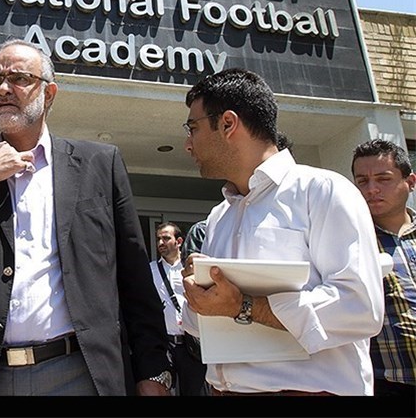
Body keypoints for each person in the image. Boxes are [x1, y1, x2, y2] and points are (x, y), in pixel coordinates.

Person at [0, 38, 171, 396]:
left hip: (80, 372)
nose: (3, 89)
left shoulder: (99, 164)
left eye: (19, 78)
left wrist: (153, 369)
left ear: (48, 93)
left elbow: (134, 277)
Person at [180, 67, 384, 396]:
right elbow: (204, 328)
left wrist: (247, 306)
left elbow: (360, 308)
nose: (188, 145)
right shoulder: (219, 216)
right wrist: (199, 297)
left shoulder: (323, 191)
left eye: (193, 128)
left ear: (228, 124)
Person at [351, 139, 416, 397]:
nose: (372, 189)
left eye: (383, 179)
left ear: (410, 182)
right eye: (362, 181)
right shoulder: (351, 240)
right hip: (388, 382)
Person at [150, 222, 208, 396]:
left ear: (179, 241)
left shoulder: (191, 268)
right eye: (158, 239)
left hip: (192, 344)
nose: (161, 243)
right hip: (165, 344)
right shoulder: (150, 270)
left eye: (166, 238)